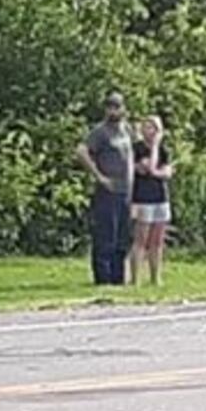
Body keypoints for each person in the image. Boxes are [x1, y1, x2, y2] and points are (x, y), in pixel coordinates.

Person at [77, 91, 135, 285]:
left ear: (123, 108)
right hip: (107, 191)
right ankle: (103, 277)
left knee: (123, 236)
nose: (113, 110)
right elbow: (82, 151)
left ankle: (118, 278)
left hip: (126, 190)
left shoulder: (126, 130)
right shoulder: (100, 131)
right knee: (105, 235)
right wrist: (99, 177)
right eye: (110, 106)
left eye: (116, 106)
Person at [129, 115, 175, 286]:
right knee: (140, 239)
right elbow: (148, 167)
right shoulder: (137, 149)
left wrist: (158, 171)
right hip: (142, 198)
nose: (148, 131)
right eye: (145, 127)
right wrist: (154, 148)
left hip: (160, 197)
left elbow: (167, 172)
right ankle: (135, 279)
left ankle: (156, 277)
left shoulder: (165, 150)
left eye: (152, 128)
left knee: (157, 240)